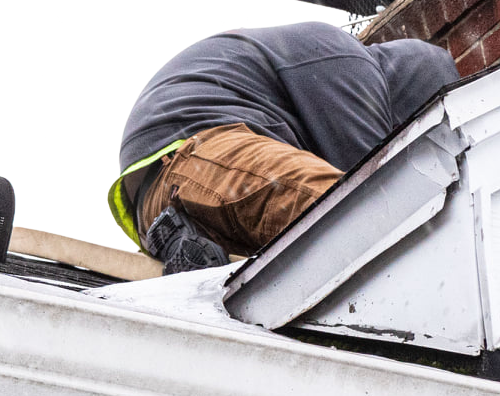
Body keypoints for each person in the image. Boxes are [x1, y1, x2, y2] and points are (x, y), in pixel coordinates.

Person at [107, 22, 456, 273]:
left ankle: (188, 240)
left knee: (284, 269)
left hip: (176, 198)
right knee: (363, 215)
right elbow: (370, 189)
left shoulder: (331, 73)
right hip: (200, 150)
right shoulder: (349, 61)